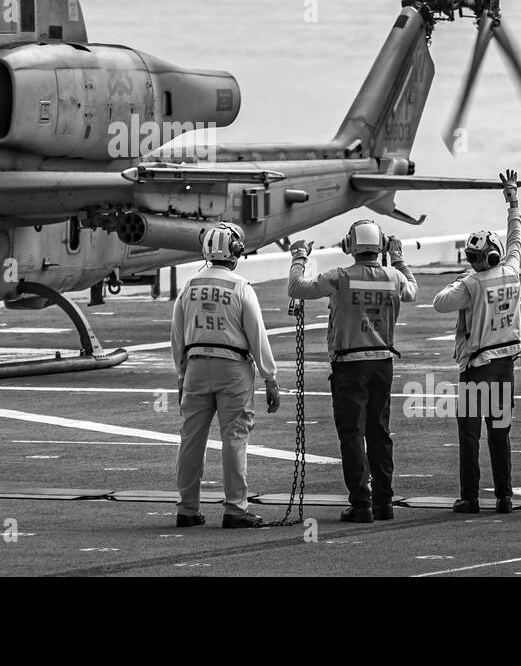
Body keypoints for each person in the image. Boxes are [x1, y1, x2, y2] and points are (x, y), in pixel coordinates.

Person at [288, 220, 417, 522]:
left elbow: (297, 287)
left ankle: (361, 503)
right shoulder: (394, 276)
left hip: (349, 365)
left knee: (352, 434)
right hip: (383, 363)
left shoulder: (340, 277)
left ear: (350, 247)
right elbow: (412, 290)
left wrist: (299, 258)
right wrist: (398, 257)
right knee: (379, 432)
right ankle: (384, 502)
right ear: (381, 245)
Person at [171, 222, 280, 529]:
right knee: (234, 437)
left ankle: (187, 508)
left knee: (191, 438)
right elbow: (257, 335)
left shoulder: (188, 286)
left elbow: (177, 336)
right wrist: (270, 377)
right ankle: (235, 507)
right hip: (233, 368)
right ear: (236, 250)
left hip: (194, 366)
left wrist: (181, 375)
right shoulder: (240, 287)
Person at [432, 170, 521, 515]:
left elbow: (439, 303)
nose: (471, 263)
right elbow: (516, 237)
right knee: (500, 436)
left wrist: (465, 276)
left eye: (473, 258)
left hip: (477, 370)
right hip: (505, 368)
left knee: (470, 436)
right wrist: (512, 198)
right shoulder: (512, 271)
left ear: (483, 257)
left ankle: (470, 497)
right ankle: (505, 497)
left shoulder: (470, 284)